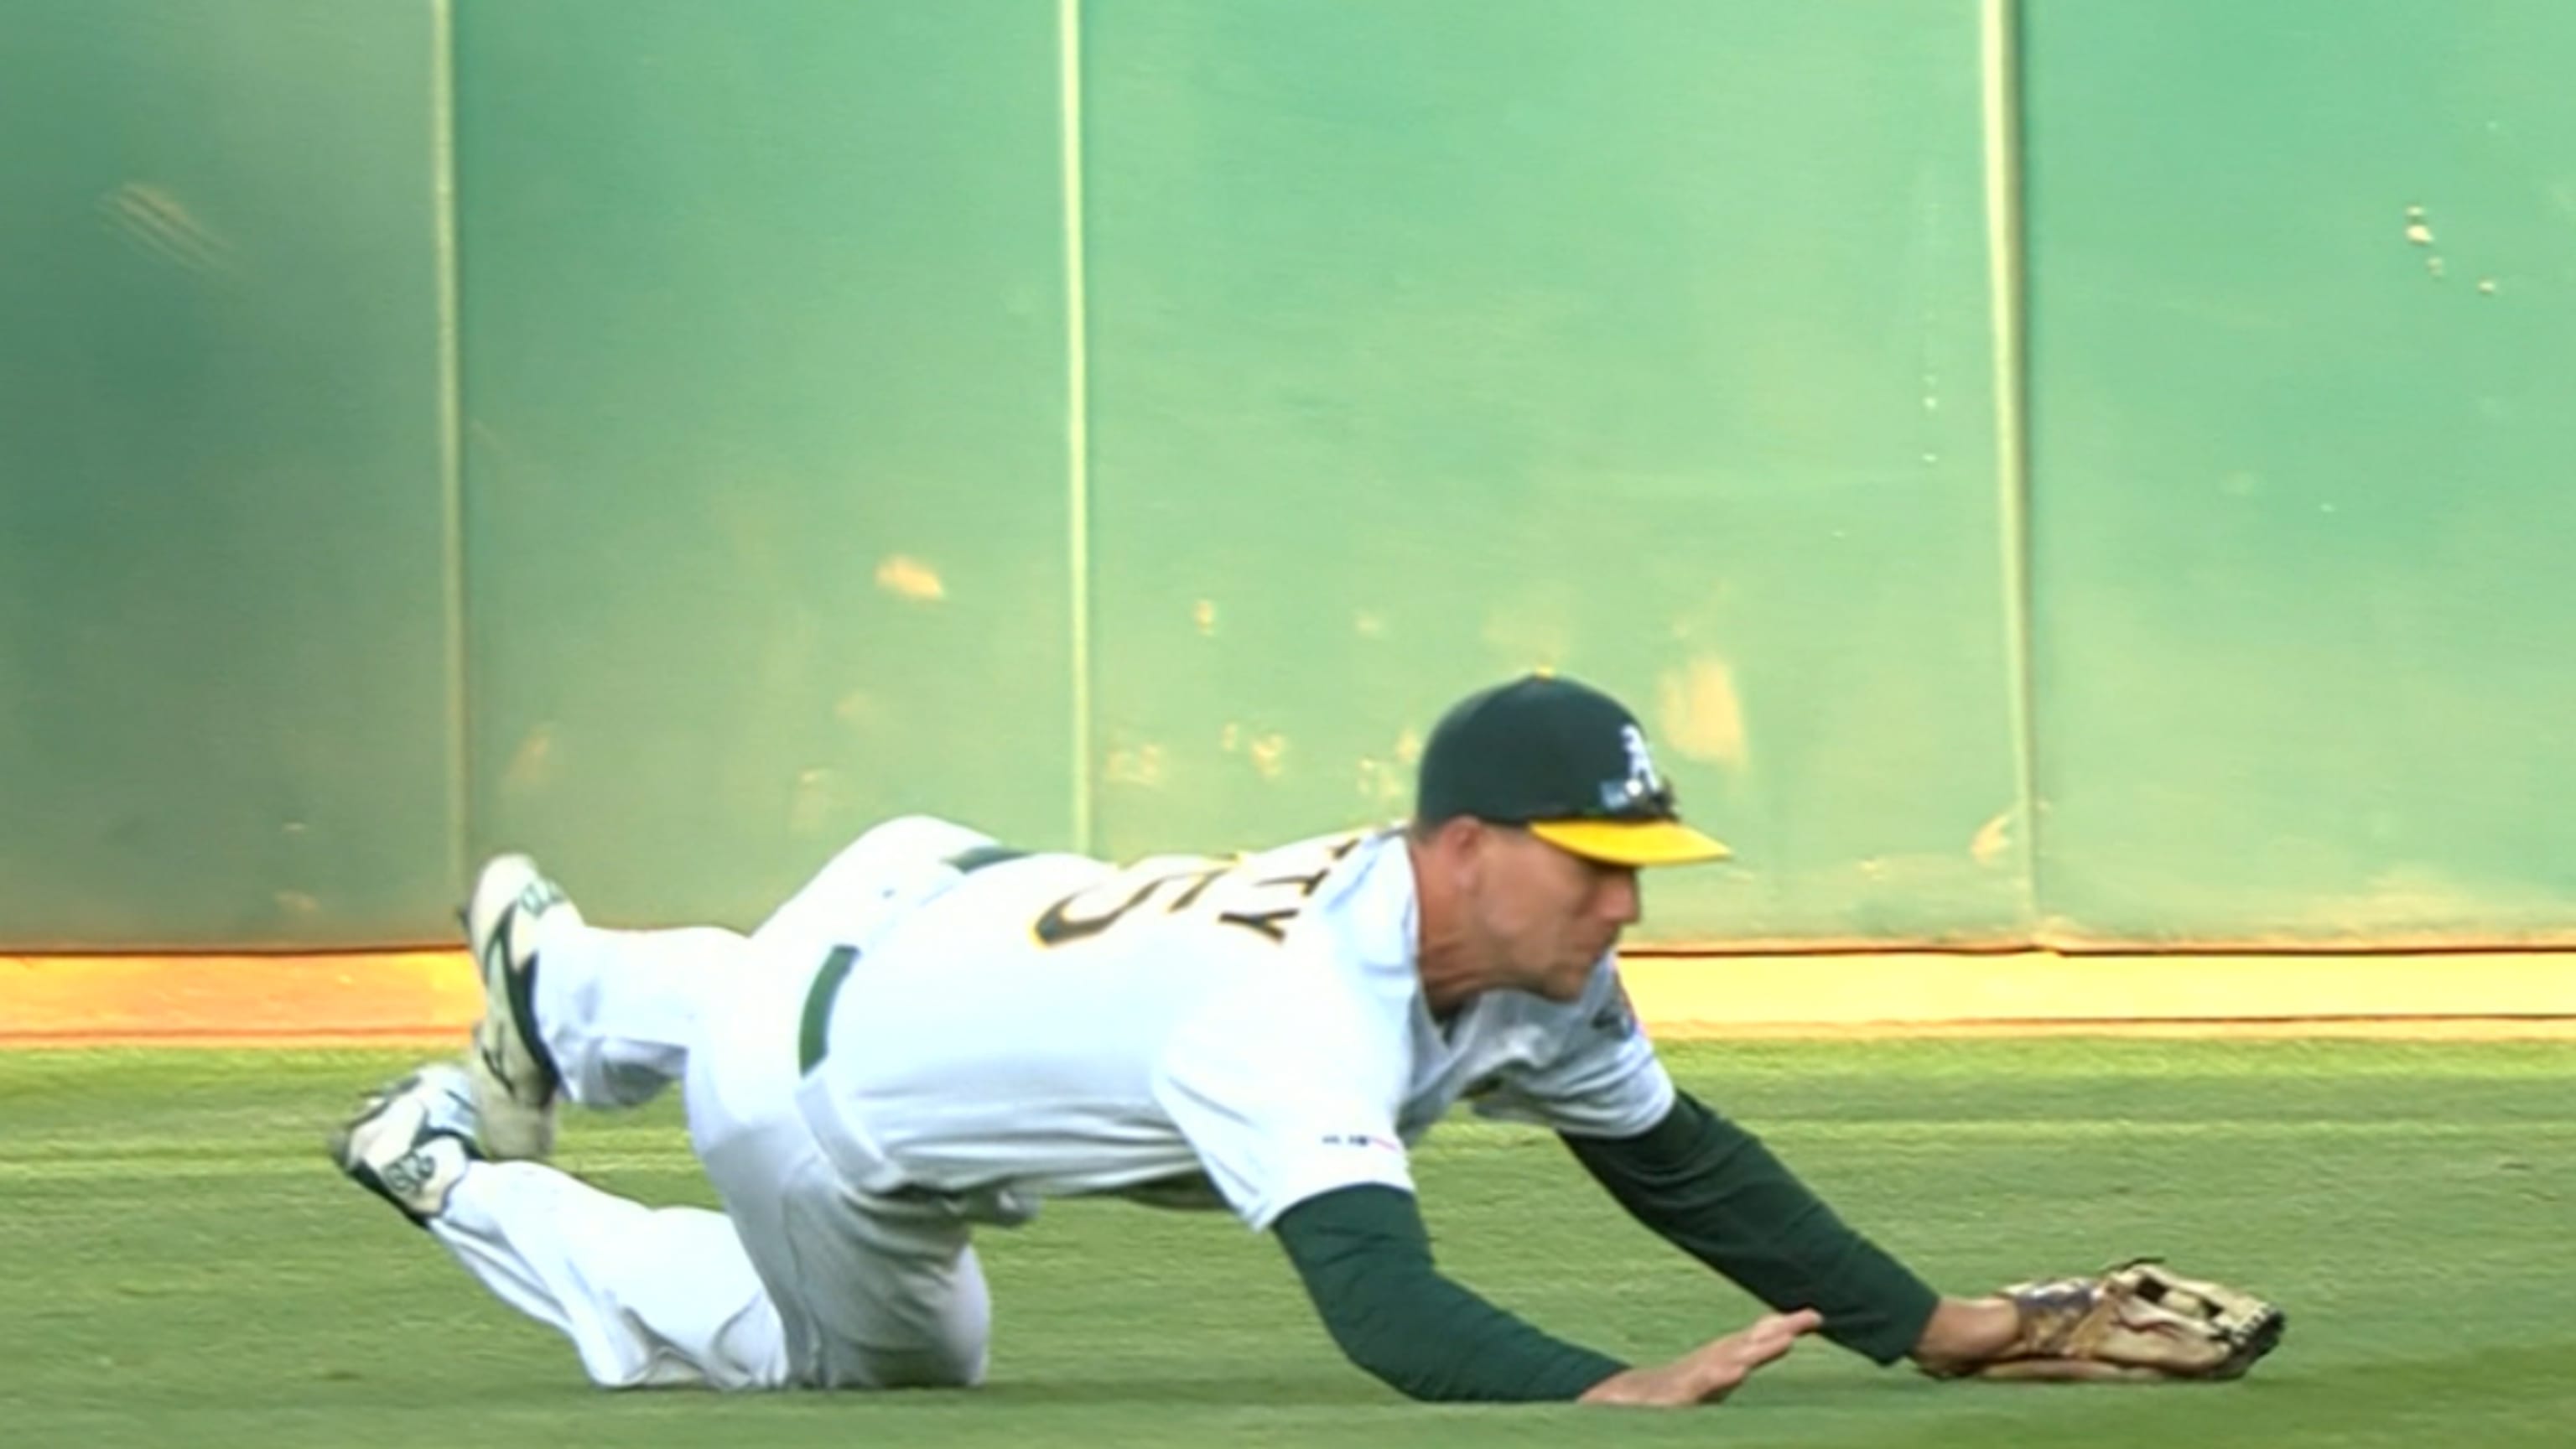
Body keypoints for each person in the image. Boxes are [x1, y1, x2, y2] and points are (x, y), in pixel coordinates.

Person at [327, 673, 2037, 1403]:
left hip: (936, 905)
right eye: (1596, 867)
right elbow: (1384, 1311)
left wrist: (1931, 1329)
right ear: (1459, 851)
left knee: (860, 991)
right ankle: (454, 1172)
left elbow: (1678, 1161)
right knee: (884, 1369)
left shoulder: (1522, 967)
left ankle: (566, 985)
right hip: (824, 1107)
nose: (1625, 911)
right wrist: (1601, 1386)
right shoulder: (1298, 1016)